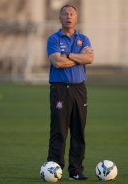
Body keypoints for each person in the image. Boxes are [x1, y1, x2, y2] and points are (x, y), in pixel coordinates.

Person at [46, 4, 94, 180]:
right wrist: (78, 57)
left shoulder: (84, 39)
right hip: (60, 89)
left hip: (79, 89)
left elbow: (90, 58)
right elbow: (57, 62)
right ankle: (53, 169)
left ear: (76, 17)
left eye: (72, 14)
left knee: (78, 130)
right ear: (60, 18)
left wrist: (68, 55)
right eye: (65, 14)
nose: (68, 16)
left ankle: (76, 170)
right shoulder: (53, 39)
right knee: (59, 129)